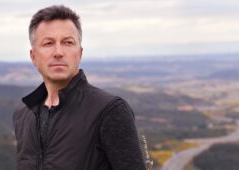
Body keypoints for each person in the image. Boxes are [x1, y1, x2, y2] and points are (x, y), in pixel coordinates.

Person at [13, 5, 147, 170]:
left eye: (68, 42)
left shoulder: (109, 111)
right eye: (48, 43)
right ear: (33, 56)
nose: (58, 52)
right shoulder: (24, 114)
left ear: (80, 53)